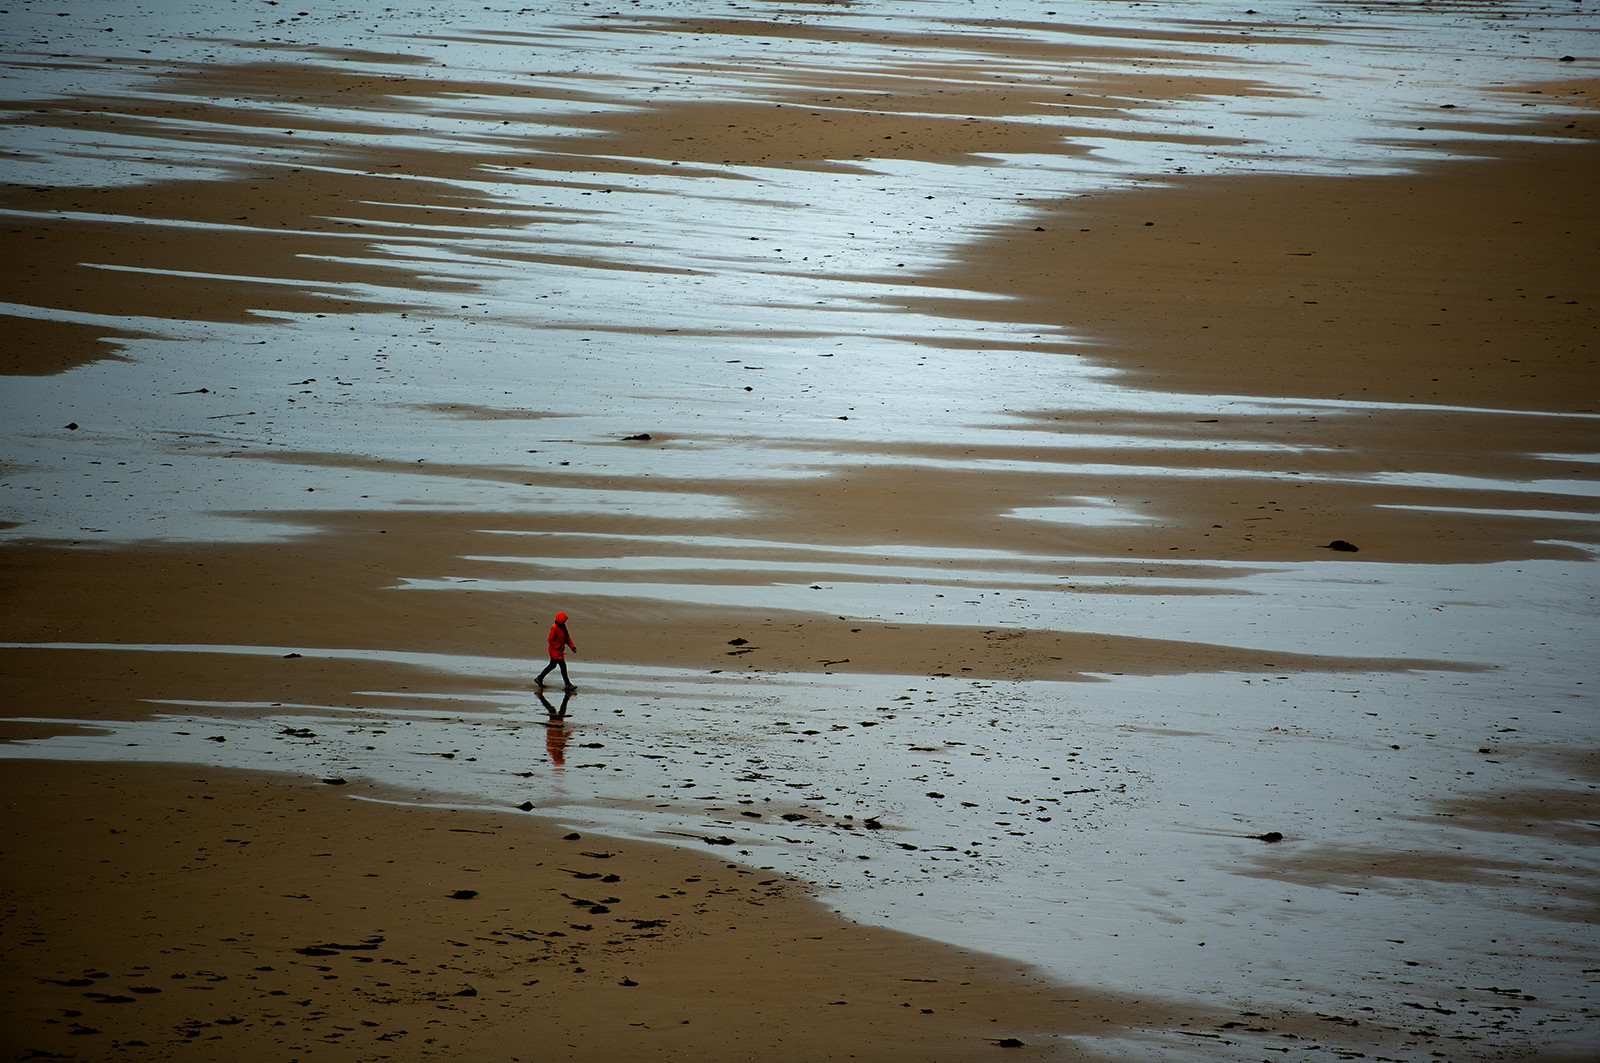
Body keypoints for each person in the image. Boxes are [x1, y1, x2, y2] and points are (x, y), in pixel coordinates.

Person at [536, 610, 577, 690]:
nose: (565, 621)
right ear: (560, 619)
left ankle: (539, 678)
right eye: (564, 620)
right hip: (555, 650)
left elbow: (567, 638)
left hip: (559, 650)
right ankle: (567, 684)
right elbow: (550, 639)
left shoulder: (563, 627)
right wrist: (557, 646)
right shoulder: (554, 627)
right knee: (563, 666)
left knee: (552, 665)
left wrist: (572, 647)